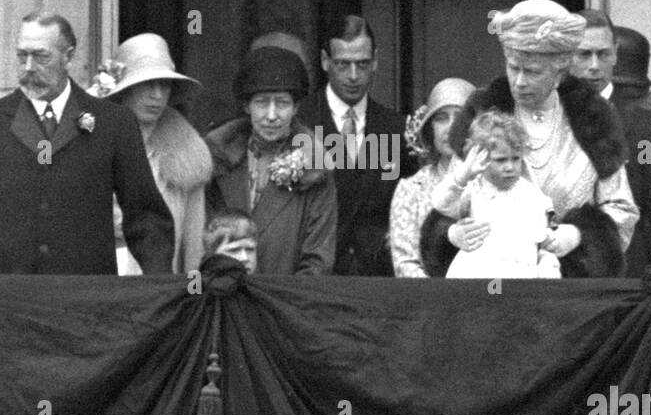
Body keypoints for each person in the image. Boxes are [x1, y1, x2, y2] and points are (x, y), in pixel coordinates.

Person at [420, 0, 638, 278]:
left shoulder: (593, 119)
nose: (519, 81)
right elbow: (446, 202)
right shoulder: (481, 114)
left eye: (532, 71)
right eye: (513, 68)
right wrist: (452, 234)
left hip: (568, 288)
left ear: (560, 72)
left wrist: (578, 235)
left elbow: (622, 210)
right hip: (491, 284)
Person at [0, 11, 174, 274]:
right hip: (8, 301)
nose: (29, 67)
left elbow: (145, 216)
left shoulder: (114, 124)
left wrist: (160, 287)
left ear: (68, 56)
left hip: (86, 301)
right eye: (22, 55)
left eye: (41, 56)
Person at [297, 15, 416, 275]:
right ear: (325, 61)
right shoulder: (300, 122)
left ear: (376, 61)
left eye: (362, 64)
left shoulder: (397, 128)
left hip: (379, 281)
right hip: (316, 279)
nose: (353, 76)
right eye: (343, 64)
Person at [573, 13, 651, 275]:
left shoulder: (646, 131)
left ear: (615, 54)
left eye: (603, 54)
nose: (594, 65)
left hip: (625, 277)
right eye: (583, 54)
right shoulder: (548, 117)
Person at [204, 47, 337, 275]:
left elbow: (318, 261)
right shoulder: (216, 164)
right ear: (247, 106)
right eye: (262, 102)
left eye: (282, 103)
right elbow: (202, 243)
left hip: (286, 301)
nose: (272, 115)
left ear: (295, 107)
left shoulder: (316, 171)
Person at [89, 33, 212, 274]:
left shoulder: (187, 155)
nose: (157, 95)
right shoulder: (89, 142)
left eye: (164, 85)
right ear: (125, 89)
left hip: (156, 289)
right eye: (146, 84)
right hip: (95, 287)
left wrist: (191, 298)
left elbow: (193, 246)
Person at [431, 111, 560, 279]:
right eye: (501, 160)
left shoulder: (531, 195)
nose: (510, 167)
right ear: (480, 157)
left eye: (516, 159)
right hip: (478, 275)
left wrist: (548, 264)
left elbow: (544, 240)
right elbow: (440, 203)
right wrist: (463, 175)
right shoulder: (473, 188)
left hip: (520, 278)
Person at [389, 77, 476, 277]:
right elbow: (405, 264)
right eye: (441, 118)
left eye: (460, 117)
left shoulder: (494, 181)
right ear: (430, 128)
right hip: (427, 301)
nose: (451, 127)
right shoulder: (411, 189)